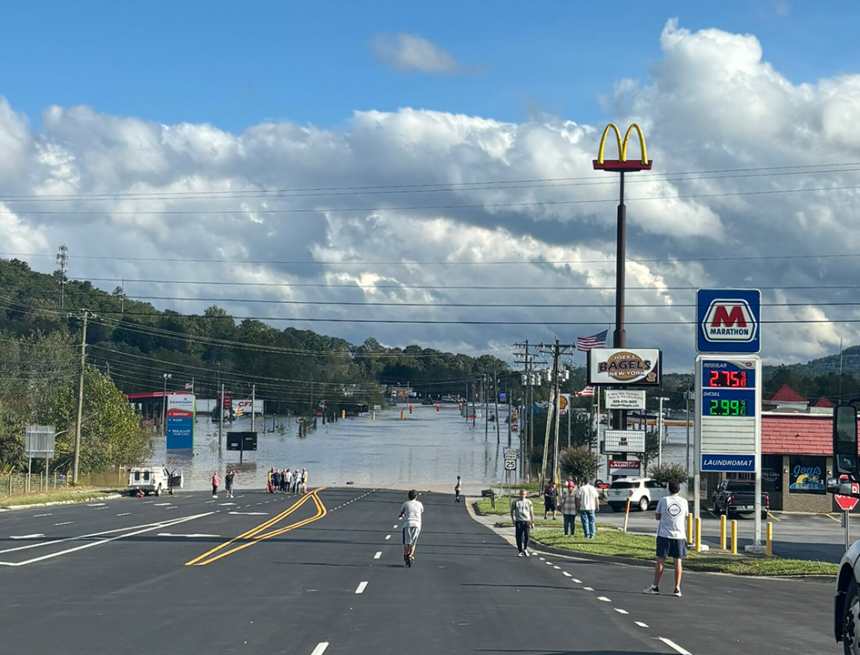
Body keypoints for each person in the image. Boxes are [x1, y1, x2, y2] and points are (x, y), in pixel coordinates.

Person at [644, 480, 689, 597]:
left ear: (668, 489)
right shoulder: (684, 502)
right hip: (679, 535)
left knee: (660, 560)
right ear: (679, 489)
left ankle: (655, 586)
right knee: (678, 561)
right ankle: (677, 588)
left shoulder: (663, 500)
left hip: (664, 534)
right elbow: (685, 515)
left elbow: (657, 517)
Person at [399, 489, 424, 567]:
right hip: (417, 524)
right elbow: (421, 511)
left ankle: (406, 554)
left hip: (407, 524)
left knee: (406, 541)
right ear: (416, 496)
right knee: (413, 541)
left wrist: (402, 515)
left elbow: (401, 511)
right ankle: (411, 555)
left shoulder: (405, 504)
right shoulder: (419, 504)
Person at [510, 488, 534, 557]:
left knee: (527, 535)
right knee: (518, 536)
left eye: (524, 494)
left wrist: (532, 522)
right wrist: (513, 520)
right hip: (519, 521)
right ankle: (520, 551)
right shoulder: (516, 502)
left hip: (527, 521)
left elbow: (531, 512)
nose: (522, 496)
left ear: (526, 495)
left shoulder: (529, 502)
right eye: (521, 494)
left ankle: (525, 548)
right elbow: (511, 511)